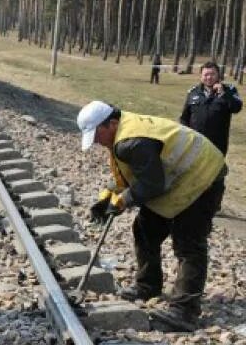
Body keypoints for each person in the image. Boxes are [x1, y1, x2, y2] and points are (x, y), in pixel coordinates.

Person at [78, 101, 226, 332]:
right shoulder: (124, 132)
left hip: (202, 176)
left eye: (97, 134)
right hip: (177, 179)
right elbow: (139, 173)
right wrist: (111, 194)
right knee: (146, 228)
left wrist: (124, 201)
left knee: (189, 244)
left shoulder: (131, 141)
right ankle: (148, 285)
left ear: (112, 123)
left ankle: (184, 312)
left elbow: (152, 184)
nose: (96, 141)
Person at [180, 61, 241, 156]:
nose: (209, 77)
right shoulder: (193, 92)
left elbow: (236, 108)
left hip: (217, 145)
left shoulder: (229, 90)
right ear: (201, 76)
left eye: (212, 74)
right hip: (195, 144)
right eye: (206, 74)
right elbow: (184, 118)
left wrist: (223, 94)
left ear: (218, 75)